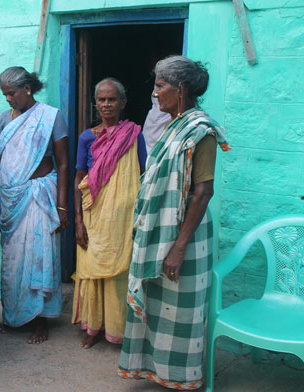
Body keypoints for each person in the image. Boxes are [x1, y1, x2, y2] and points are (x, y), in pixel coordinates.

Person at [118, 56, 230, 390]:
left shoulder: (200, 131)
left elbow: (203, 193)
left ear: (180, 89)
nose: (155, 94)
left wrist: (178, 248)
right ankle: (156, 370)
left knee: (181, 312)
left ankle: (181, 377)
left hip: (186, 236)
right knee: (159, 306)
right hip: (163, 232)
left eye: (160, 86)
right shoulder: (173, 127)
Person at [0, 66, 69, 344]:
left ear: (27, 89)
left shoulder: (51, 116)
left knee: (40, 256)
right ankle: (13, 315)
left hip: (38, 196)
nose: (8, 99)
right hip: (11, 200)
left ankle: (41, 320)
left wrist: (62, 206)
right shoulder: (3, 119)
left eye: (11, 93)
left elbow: (64, 162)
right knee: (13, 262)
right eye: (4, 94)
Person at [72, 78, 146, 349]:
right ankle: (93, 328)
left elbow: (141, 175)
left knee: (118, 274)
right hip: (93, 214)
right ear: (96, 103)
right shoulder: (87, 137)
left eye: (111, 99)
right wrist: (78, 220)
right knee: (92, 269)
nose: (106, 104)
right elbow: (80, 178)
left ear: (122, 103)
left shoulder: (133, 134)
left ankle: (119, 330)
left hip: (123, 219)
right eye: (101, 99)